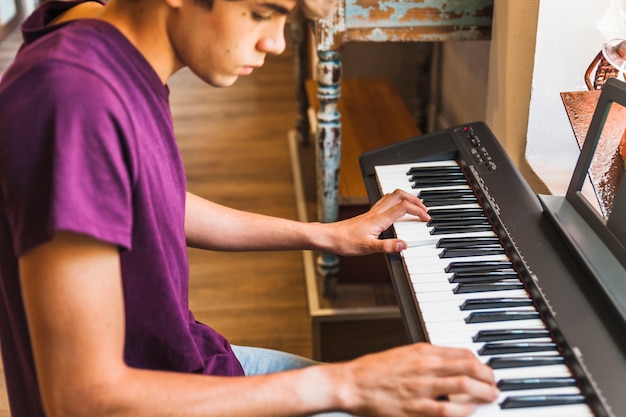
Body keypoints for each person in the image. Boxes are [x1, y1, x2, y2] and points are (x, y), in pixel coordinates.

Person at [0, 0, 500, 416]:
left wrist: (321, 233)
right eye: (261, 13)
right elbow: (82, 398)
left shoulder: (100, 33)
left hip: (188, 364)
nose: (276, 42)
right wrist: (347, 384)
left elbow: (149, 199)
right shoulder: (73, 100)